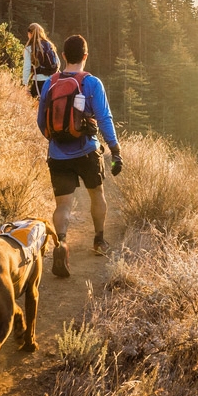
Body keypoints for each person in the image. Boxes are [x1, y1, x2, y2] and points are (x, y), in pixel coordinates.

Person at [37, 34, 122, 278]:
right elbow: (104, 118)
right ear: (85, 56)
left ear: (63, 56)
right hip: (87, 151)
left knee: (63, 204)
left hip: (57, 154)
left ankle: (62, 242)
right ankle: (99, 241)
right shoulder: (92, 83)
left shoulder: (50, 83)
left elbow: (41, 120)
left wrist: (56, 139)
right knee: (97, 194)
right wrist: (115, 150)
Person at [22, 23, 60, 97]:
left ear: (30, 34)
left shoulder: (29, 48)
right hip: (52, 81)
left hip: (38, 81)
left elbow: (27, 67)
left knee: (36, 105)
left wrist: (24, 84)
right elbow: (58, 62)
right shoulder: (49, 45)